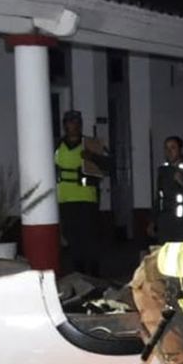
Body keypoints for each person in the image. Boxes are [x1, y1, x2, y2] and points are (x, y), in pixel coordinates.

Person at [55, 110, 112, 275]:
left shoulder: (91, 143)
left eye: (75, 122)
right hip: (65, 198)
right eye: (69, 122)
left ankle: (93, 273)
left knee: (90, 238)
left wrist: (92, 157)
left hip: (87, 198)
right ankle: (78, 273)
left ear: (80, 124)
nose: (72, 125)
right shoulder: (57, 145)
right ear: (64, 125)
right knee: (72, 238)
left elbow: (108, 164)